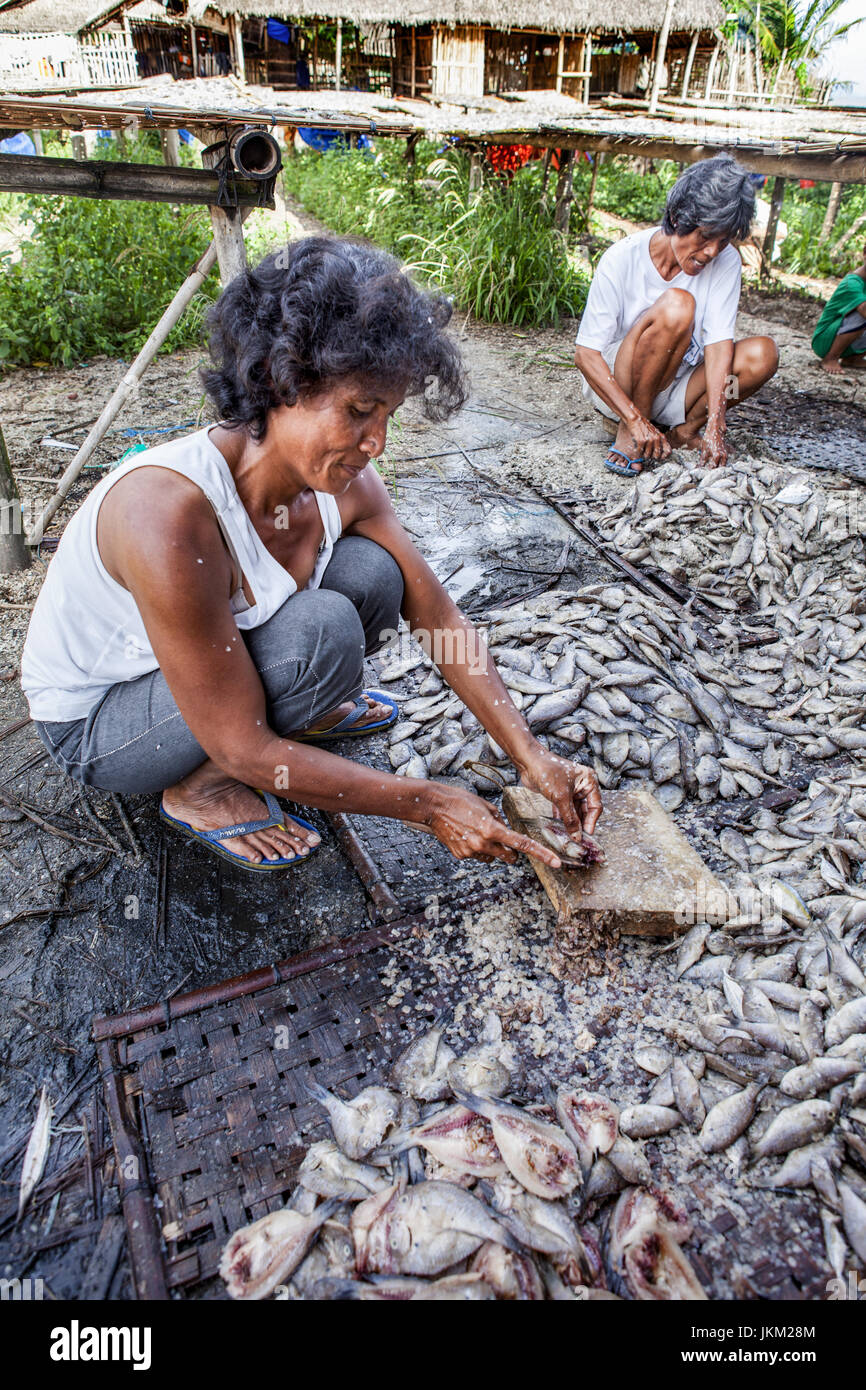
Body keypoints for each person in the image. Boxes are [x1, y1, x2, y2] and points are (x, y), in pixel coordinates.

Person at [21, 238, 601, 873]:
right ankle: (199, 787)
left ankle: (302, 706)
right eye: (358, 411)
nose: (376, 441)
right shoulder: (168, 515)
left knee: (378, 576)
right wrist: (427, 803)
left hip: (212, 666)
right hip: (103, 721)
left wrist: (529, 754)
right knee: (319, 637)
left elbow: (437, 615)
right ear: (281, 380)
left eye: (387, 415)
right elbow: (243, 744)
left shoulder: (346, 486)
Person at [574, 154, 779, 477]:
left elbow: (719, 346)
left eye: (723, 240)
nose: (712, 251)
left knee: (762, 355)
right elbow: (585, 355)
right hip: (619, 387)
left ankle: (686, 430)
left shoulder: (726, 262)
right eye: (704, 236)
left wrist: (716, 421)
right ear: (676, 218)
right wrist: (633, 418)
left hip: (677, 385)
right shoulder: (622, 258)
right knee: (678, 306)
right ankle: (631, 431)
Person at [811, 242, 866, 374]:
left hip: (849, 342)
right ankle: (830, 358)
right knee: (862, 313)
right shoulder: (852, 283)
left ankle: (853, 358)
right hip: (825, 341)